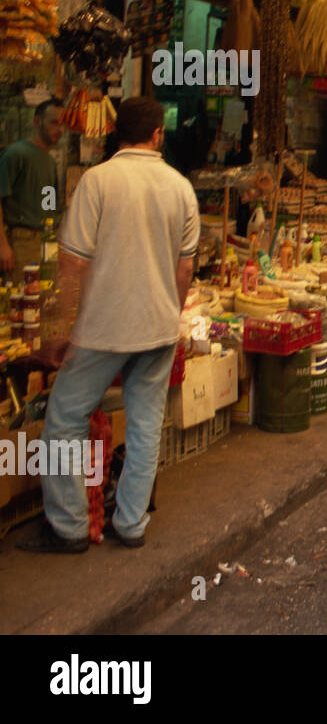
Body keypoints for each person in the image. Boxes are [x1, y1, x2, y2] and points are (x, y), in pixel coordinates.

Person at [20, 97, 199, 553]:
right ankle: (131, 524)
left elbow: (71, 264)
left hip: (104, 329)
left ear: (117, 133)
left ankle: (69, 527)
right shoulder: (181, 189)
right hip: (157, 329)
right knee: (144, 426)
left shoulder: (96, 182)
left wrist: (58, 332)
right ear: (158, 134)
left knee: (63, 420)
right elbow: (184, 271)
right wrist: (170, 316)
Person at [0, 99, 63, 280]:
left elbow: (48, 205)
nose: (59, 129)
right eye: (54, 122)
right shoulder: (16, 154)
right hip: (21, 241)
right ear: (37, 122)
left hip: (45, 241)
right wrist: (3, 245)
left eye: (63, 124)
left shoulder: (50, 162)